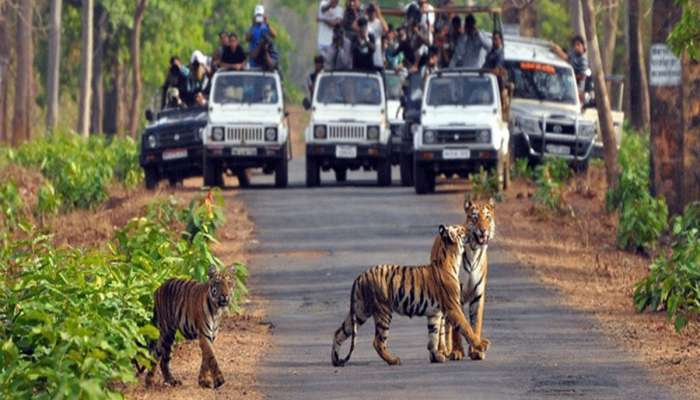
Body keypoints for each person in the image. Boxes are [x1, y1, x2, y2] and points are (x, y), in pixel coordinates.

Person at [365, 3, 388, 69]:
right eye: (370, 11)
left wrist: (379, 14)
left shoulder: (378, 22)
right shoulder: (365, 21)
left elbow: (386, 29)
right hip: (366, 52)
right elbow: (354, 26)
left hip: (376, 54)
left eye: (373, 11)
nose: (371, 13)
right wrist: (364, 13)